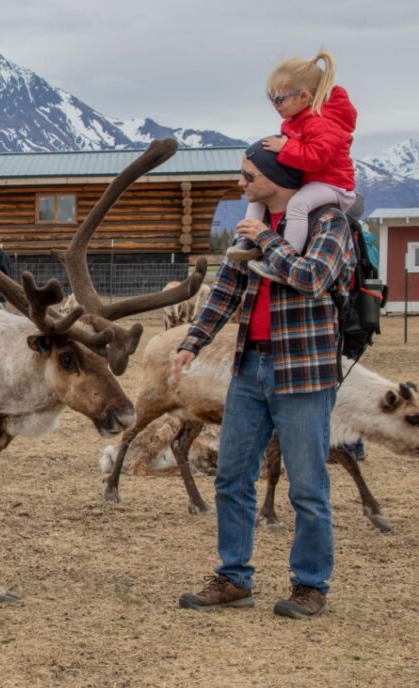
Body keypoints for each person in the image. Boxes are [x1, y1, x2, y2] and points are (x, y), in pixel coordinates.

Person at [175, 141, 354, 620]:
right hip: (249, 368)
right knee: (232, 476)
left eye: (249, 176)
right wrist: (193, 340)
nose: (242, 184)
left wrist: (269, 241)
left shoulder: (329, 222)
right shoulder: (253, 225)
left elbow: (314, 277)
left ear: (277, 176)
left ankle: (310, 585)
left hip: (303, 372)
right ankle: (234, 578)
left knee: (306, 485)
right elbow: (229, 287)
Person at [227, 50, 356, 284]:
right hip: (312, 181)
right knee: (256, 198)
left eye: (280, 99)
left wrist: (285, 149)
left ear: (304, 97)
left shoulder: (322, 124)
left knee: (297, 205)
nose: (275, 105)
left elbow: (316, 158)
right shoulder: (294, 122)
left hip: (333, 185)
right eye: (271, 98)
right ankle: (246, 241)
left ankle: (287, 255)